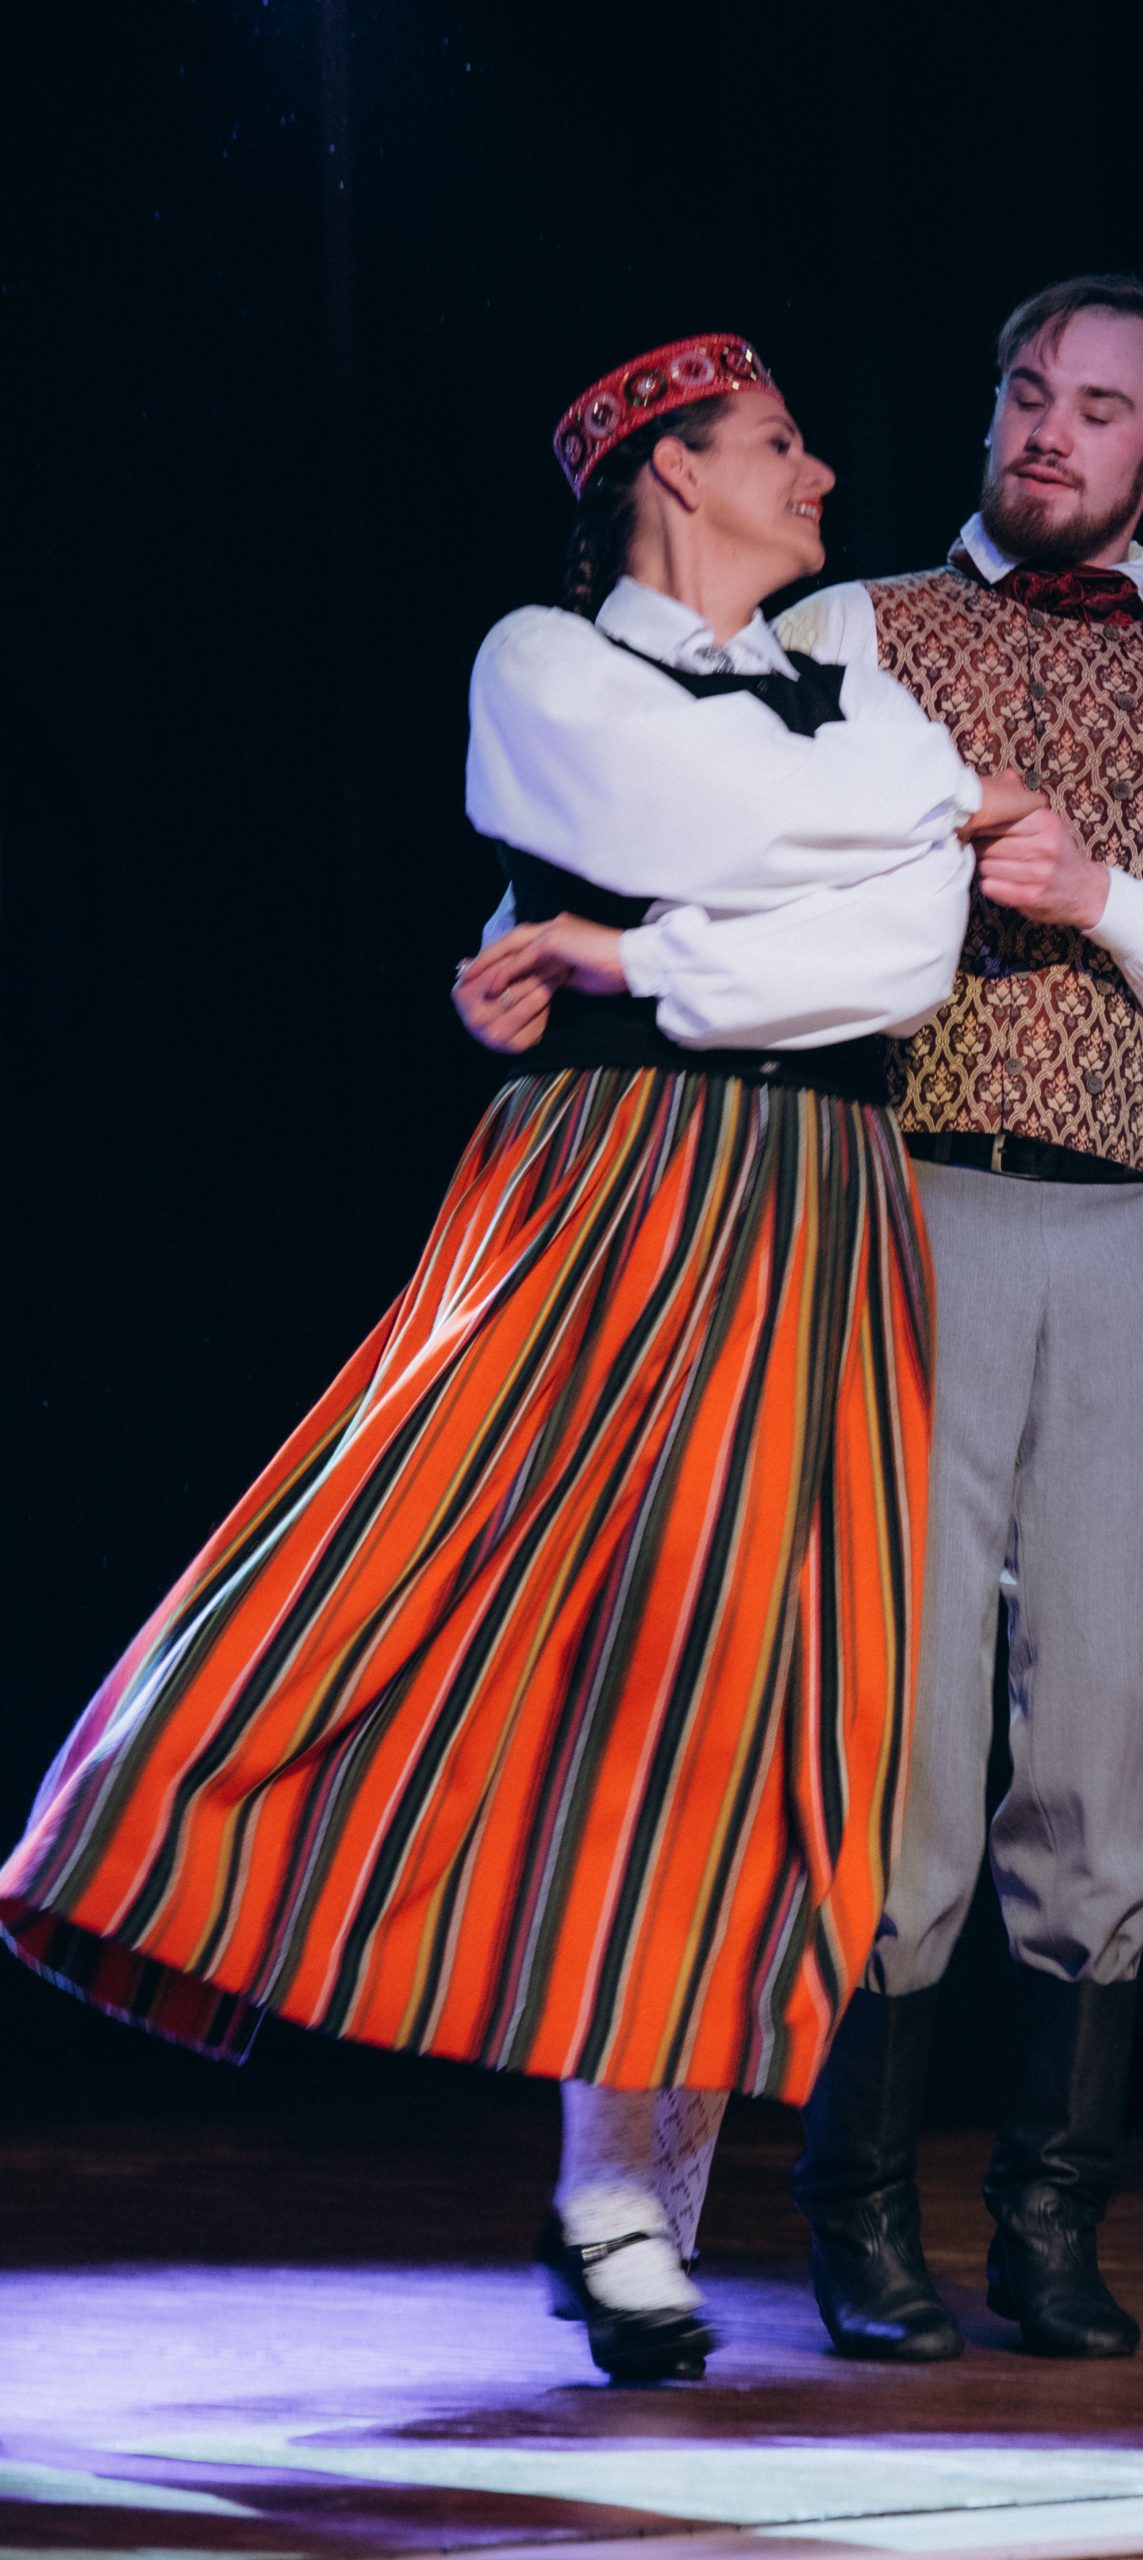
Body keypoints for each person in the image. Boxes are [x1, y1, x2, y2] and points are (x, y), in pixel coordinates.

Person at [0, 331, 1037, 2384]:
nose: (822, 476)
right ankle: (160, 1837)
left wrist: (629, 950)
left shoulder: (857, 688)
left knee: (739, 1662)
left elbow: (906, 954)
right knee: (445, 1552)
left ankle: (624, 2200)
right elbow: (732, 828)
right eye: (778, 445)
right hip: (615, 1174)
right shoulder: (545, 664)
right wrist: (889, 835)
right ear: (673, 471)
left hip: (821, 1195)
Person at [769, 276, 1143, 2363]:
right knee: (907, 1722)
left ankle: (1048, 2218)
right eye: (1030, 391)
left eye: (1101, 408)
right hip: (902, 1201)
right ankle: (857, 2210)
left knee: (1097, 1724)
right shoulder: (852, 632)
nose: (1051, 430)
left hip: (1124, 1231)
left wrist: (1103, 896)